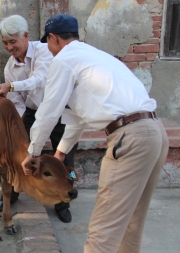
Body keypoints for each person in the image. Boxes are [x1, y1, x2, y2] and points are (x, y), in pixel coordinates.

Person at [21, 14, 169, 253]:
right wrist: (60, 153)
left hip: (130, 139)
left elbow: (49, 111)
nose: (49, 49)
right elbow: (78, 118)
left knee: (102, 234)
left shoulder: (64, 59)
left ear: (53, 38)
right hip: (155, 134)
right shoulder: (95, 57)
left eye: (48, 44)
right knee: (131, 224)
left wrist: (32, 151)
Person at [0, 15, 78, 223]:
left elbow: (40, 80)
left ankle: (62, 202)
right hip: (31, 112)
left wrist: (11, 86)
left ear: (25, 36)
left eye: (13, 41)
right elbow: (18, 101)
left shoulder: (43, 50)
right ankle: (12, 193)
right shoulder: (9, 68)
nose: (10, 47)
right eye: (5, 43)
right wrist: (21, 127)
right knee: (20, 155)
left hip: (60, 111)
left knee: (65, 159)